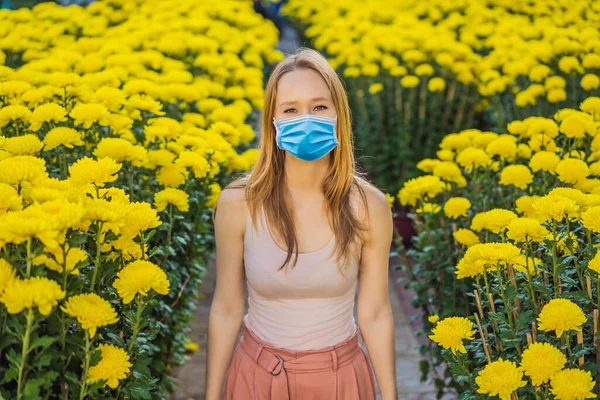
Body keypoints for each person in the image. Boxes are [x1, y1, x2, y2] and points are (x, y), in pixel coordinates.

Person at [205, 47, 397, 400]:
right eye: (290, 109)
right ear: (272, 122)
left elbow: (375, 313)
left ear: (339, 114)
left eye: (319, 107)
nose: (306, 119)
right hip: (256, 378)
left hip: (341, 380)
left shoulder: (370, 206)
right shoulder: (237, 203)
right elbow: (227, 308)